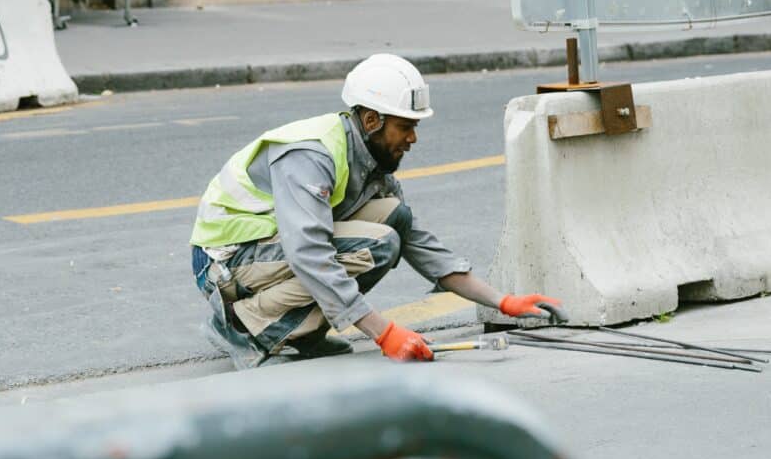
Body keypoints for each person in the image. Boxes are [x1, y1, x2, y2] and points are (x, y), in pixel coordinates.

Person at [189, 53, 565, 369]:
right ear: (372, 121)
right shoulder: (311, 154)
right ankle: (245, 328)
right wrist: (382, 332)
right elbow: (309, 252)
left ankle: (300, 334)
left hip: (265, 254)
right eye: (405, 127)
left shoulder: (370, 160)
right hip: (225, 263)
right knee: (378, 244)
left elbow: (419, 243)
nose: (413, 138)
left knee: (394, 219)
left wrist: (502, 301)